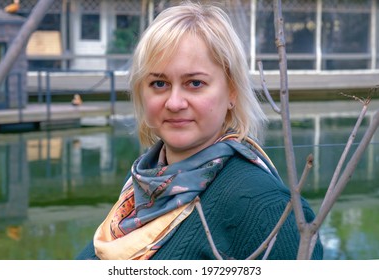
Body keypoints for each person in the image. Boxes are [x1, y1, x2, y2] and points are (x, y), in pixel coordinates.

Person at [76, 1, 323, 260]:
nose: (174, 103)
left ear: (232, 91)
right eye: (159, 83)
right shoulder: (141, 185)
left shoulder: (265, 208)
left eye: (195, 83)